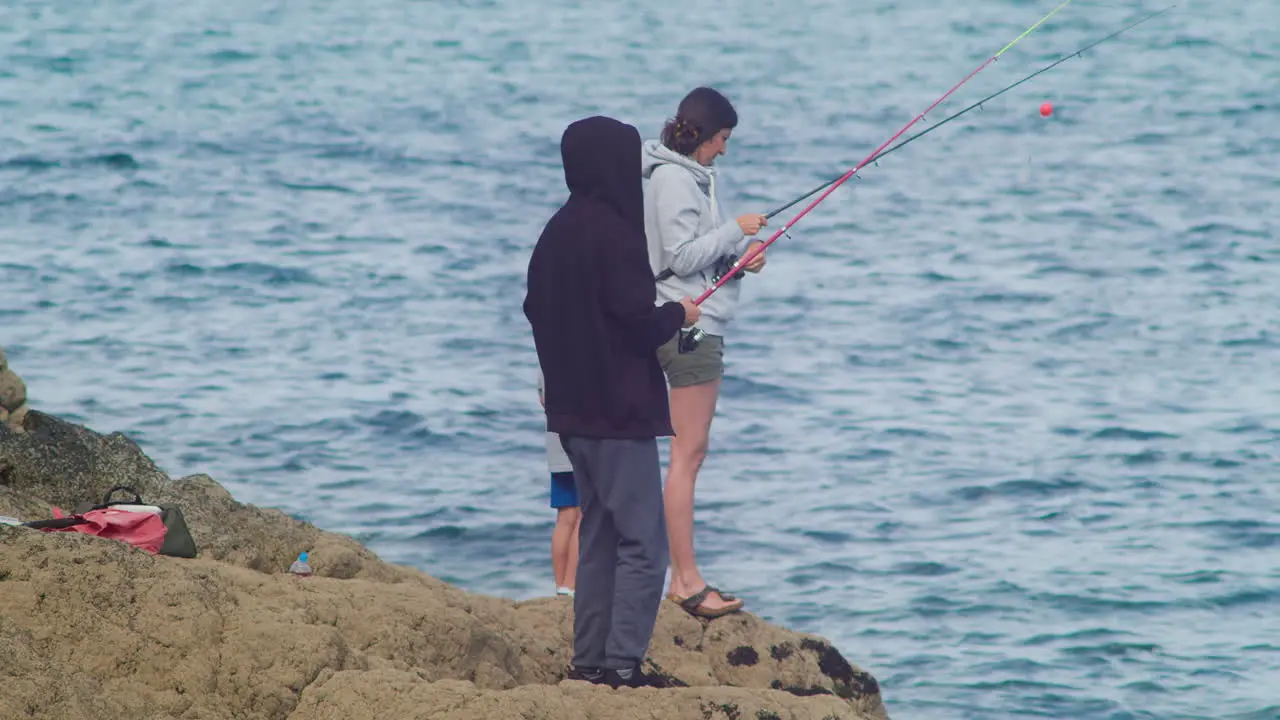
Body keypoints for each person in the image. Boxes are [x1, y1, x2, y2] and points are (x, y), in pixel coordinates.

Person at [523, 114, 700, 689]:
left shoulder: (557, 232)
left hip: (570, 415)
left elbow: (538, 311)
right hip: (618, 416)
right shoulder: (617, 234)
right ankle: (623, 664)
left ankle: (590, 661)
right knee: (645, 546)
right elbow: (634, 324)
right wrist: (680, 313)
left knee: (597, 538)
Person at [642, 87, 768, 619]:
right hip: (688, 326)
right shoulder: (673, 178)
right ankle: (685, 582)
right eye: (723, 140)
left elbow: (699, 253)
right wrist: (732, 231)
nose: (724, 150)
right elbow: (676, 258)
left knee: (684, 457)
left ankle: (678, 576)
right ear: (705, 135)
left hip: (686, 317)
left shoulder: (684, 175)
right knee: (687, 458)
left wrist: (741, 255)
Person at [537, 368, 580, 597]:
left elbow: (543, 398)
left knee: (565, 517)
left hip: (556, 440)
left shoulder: (546, 350)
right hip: (583, 438)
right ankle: (572, 585)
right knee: (585, 516)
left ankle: (561, 587)